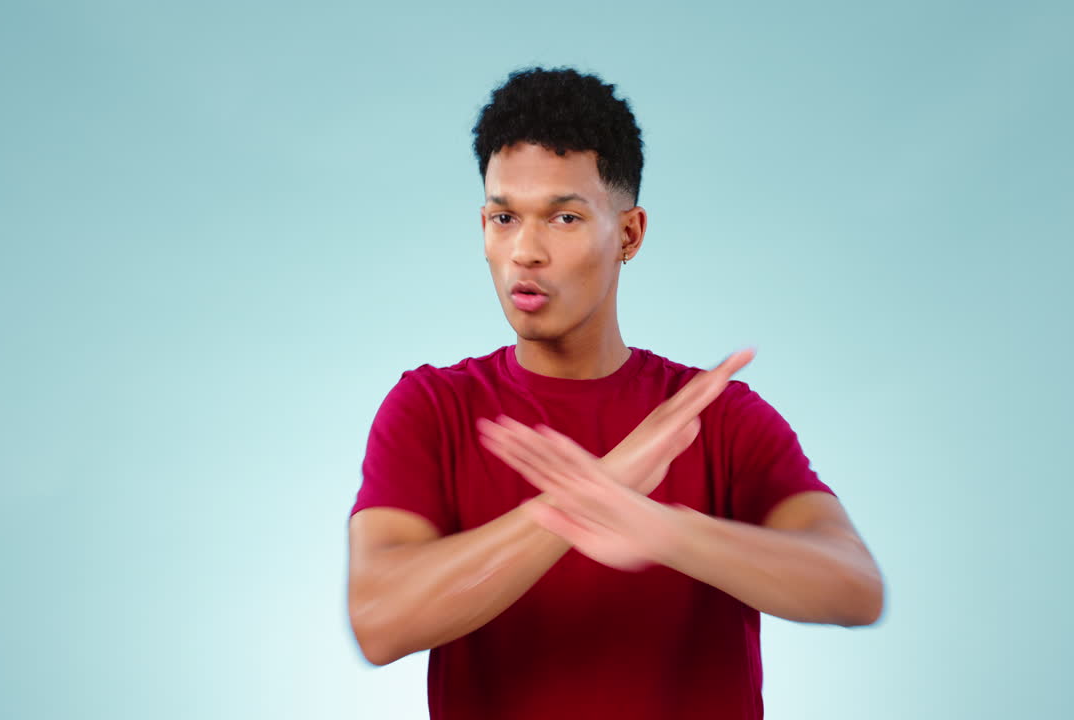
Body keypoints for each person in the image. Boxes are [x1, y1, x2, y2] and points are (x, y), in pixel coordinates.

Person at [346, 66, 884, 720]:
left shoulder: (713, 418)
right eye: (504, 216)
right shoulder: (432, 408)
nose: (525, 251)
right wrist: (577, 505)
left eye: (564, 217)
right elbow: (379, 620)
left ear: (628, 234)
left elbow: (855, 585)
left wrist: (664, 531)